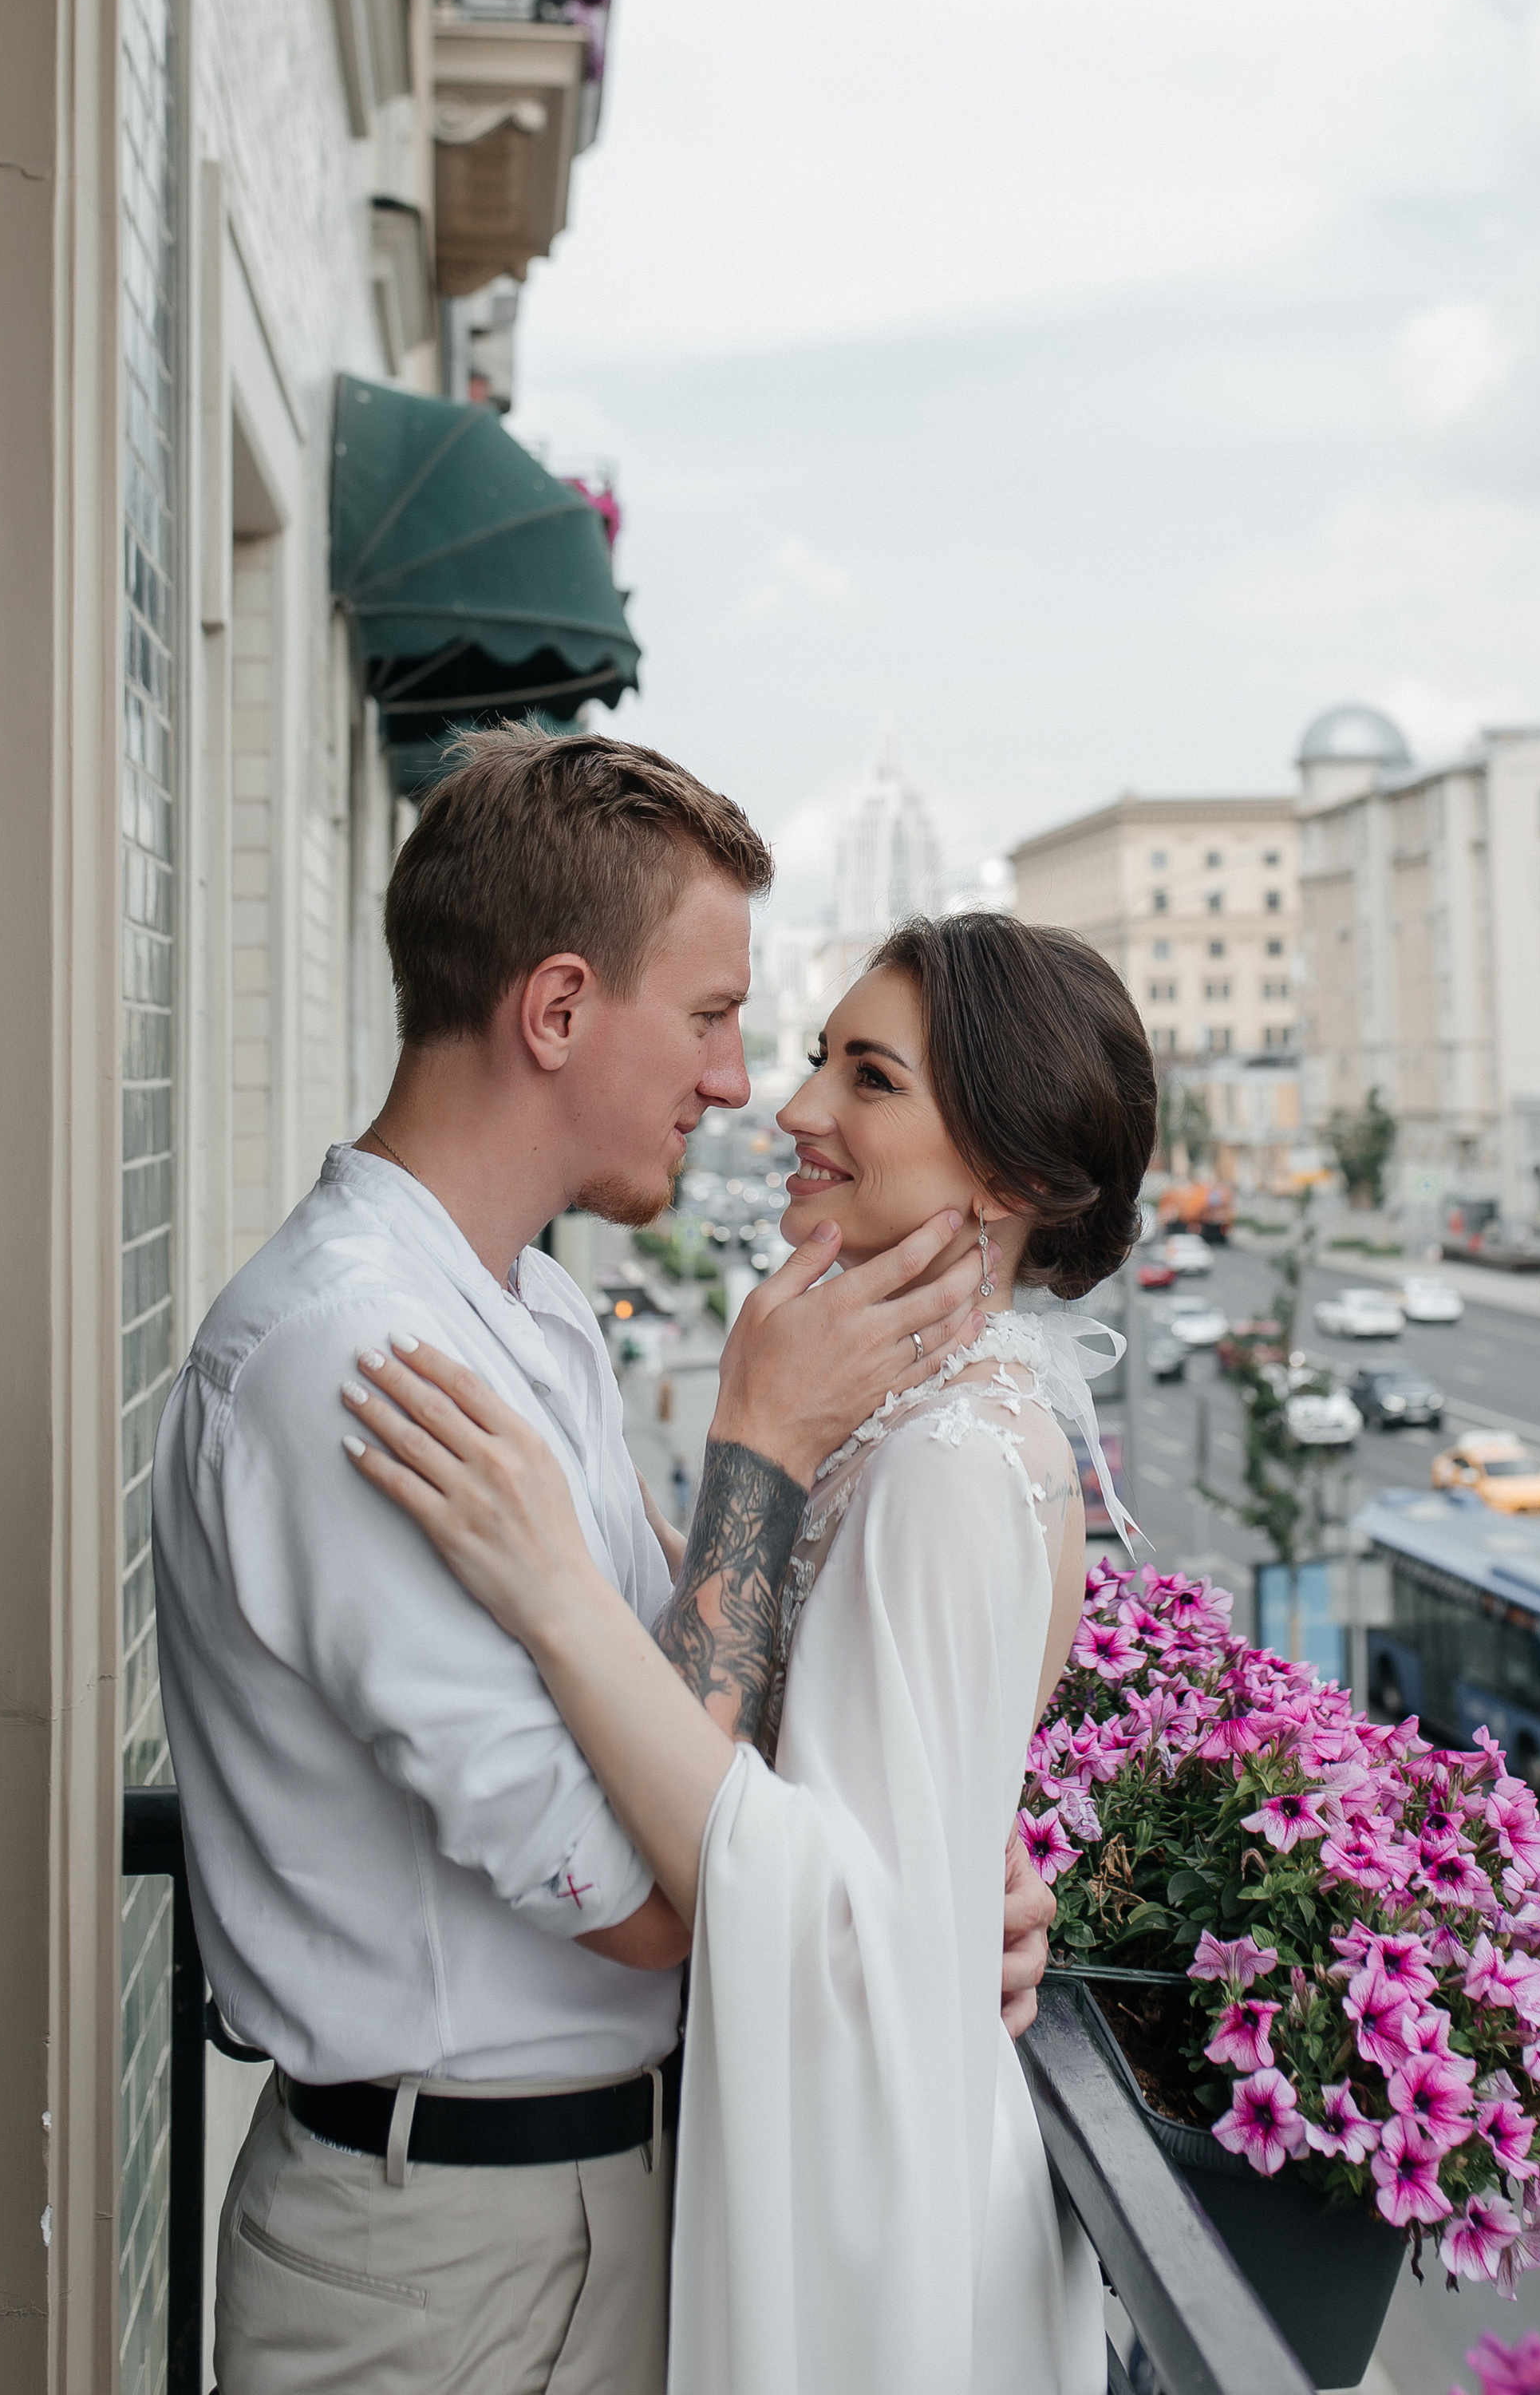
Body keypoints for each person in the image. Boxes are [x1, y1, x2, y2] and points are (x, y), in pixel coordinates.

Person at [152, 731, 1049, 2395]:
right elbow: (645, 1898)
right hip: (442, 2263)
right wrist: (761, 1454)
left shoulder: (536, 1314)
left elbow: (701, 1723)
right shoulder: (358, 1366)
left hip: (611, 2192)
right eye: (709, 1020)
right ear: (556, 1011)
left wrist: (918, 1888)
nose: (737, 1086)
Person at [340, 909, 1158, 2395]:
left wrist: (551, 1584)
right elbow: (885, 1853)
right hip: (859, 2134)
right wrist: (959, 1869)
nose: (793, 1111)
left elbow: (834, 1925)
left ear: (1014, 1175)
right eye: (815, 1061)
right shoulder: (924, 1429)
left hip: (868, 2207)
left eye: (870, 1078)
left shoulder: (949, 1464)